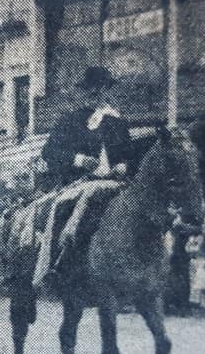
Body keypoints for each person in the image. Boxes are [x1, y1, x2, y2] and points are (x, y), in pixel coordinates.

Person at [32, 67, 139, 285]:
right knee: (61, 211)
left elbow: (130, 154)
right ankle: (54, 263)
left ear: (107, 90)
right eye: (91, 89)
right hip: (79, 182)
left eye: (102, 88)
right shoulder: (69, 120)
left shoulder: (118, 122)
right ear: (84, 92)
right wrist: (78, 159)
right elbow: (49, 152)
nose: (97, 93)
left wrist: (124, 166)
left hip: (117, 183)